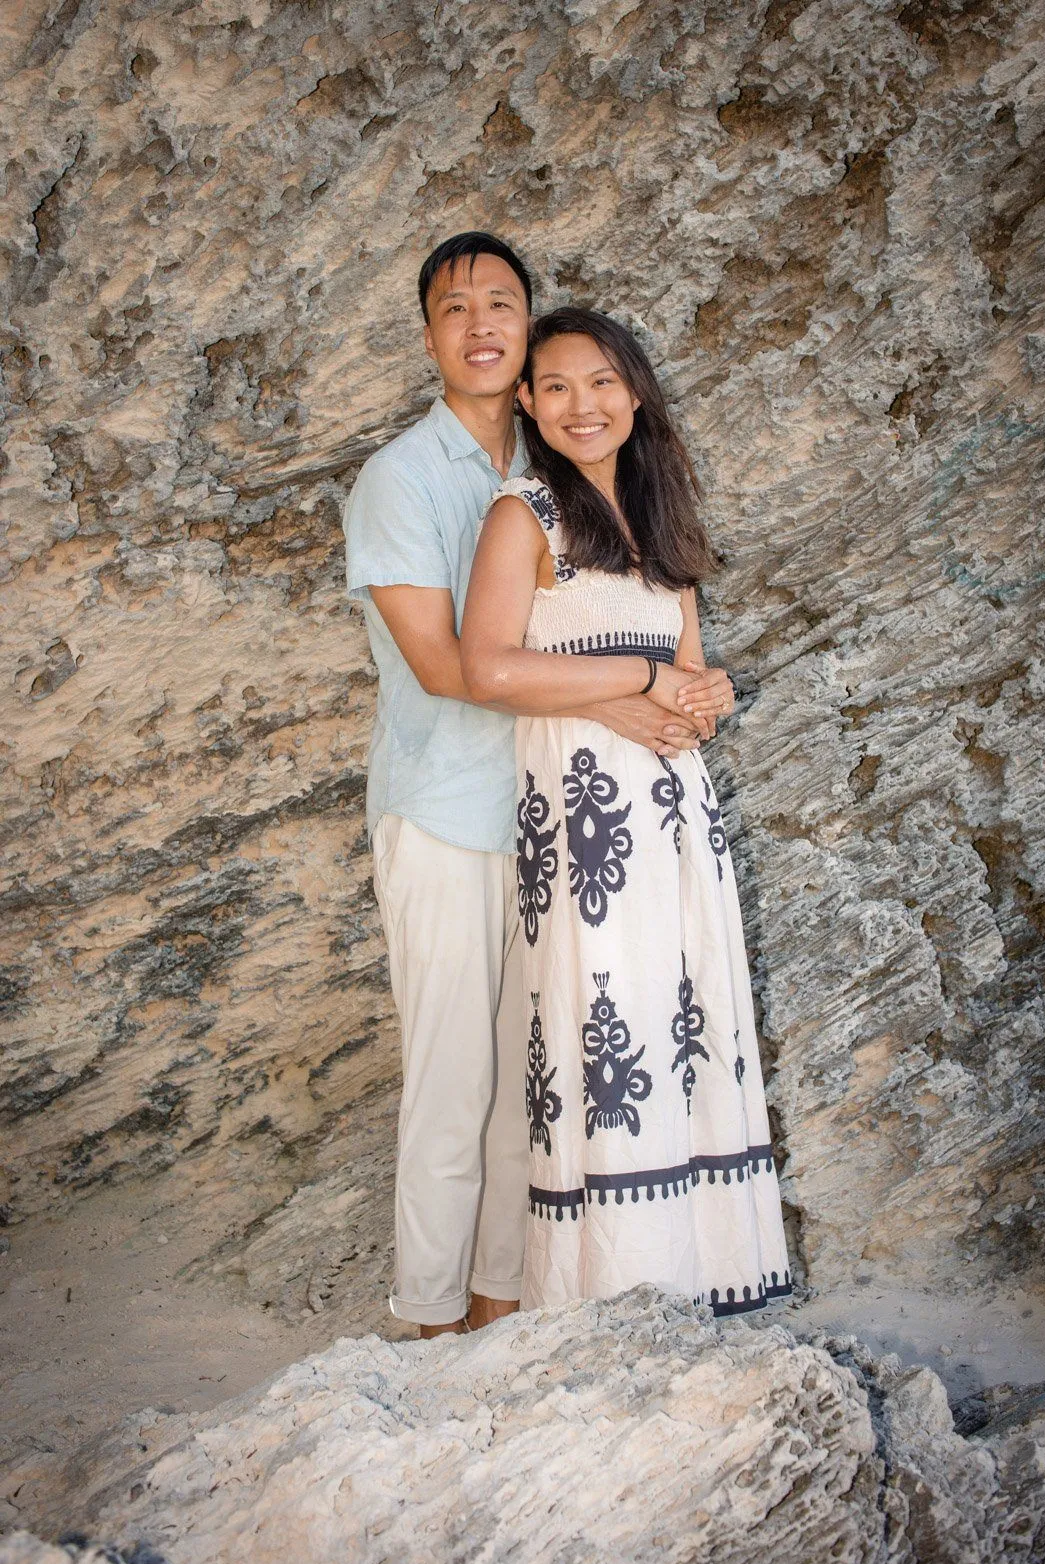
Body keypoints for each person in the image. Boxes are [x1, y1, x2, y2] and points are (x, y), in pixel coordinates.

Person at [343, 238, 712, 1338]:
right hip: (447, 813)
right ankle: (427, 1321)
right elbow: (451, 667)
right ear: (428, 337)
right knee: (453, 1082)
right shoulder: (401, 479)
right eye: (454, 309)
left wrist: (653, 691)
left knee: (532, 1087)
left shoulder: (556, 475)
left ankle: (498, 1313)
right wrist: (625, 693)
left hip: (550, 821)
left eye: (500, 304)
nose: (480, 326)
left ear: (528, 329)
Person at [460, 307, 793, 1314]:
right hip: (582, 818)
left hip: (674, 811)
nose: (582, 405)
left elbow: (688, 676)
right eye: (556, 386)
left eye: (602, 382)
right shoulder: (523, 515)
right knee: (603, 1016)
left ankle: (703, 1278)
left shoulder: (658, 519)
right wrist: (637, 680)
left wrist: (705, 694)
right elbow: (487, 669)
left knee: (680, 1012)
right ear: (527, 402)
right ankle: (607, 1290)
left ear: (635, 394)